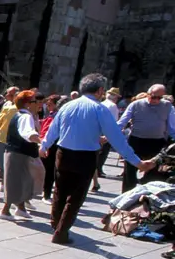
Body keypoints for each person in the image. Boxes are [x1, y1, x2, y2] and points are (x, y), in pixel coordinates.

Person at [40, 74, 154, 244]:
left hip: (63, 153)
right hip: (85, 156)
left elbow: (53, 130)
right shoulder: (100, 109)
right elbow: (117, 138)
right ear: (100, 90)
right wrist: (136, 162)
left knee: (60, 191)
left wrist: (44, 146)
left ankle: (56, 224)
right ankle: (61, 231)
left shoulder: (67, 106)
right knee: (76, 196)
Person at [116, 83, 175, 192]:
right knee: (130, 171)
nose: (156, 100)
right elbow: (122, 122)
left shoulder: (168, 106)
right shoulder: (136, 105)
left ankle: (146, 195)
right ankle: (126, 195)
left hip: (157, 142)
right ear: (148, 94)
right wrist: (108, 135)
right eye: (153, 97)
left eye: (159, 98)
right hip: (136, 140)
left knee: (154, 172)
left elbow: (172, 127)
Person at [0, 89, 42, 221]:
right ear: (28, 103)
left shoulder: (23, 115)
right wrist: (41, 141)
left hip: (18, 152)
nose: (39, 104)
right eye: (35, 101)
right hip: (18, 153)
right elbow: (27, 133)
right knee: (15, 181)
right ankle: (5, 211)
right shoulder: (25, 116)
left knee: (23, 180)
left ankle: (21, 208)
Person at [0, 86, 19, 190]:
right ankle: (0, 183)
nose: (6, 95)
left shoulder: (9, 107)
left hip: (3, 136)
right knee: (4, 162)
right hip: (11, 138)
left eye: (9, 94)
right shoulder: (9, 105)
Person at [39, 94, 62, 200]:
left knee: (50, 170)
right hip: (45, 144)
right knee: (46, 170)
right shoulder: (51, 115)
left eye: (50, 104)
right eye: (47, 104)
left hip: (52, 145)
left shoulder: (56, 116)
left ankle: (46, 193)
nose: (47, 106)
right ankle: (44, 192)